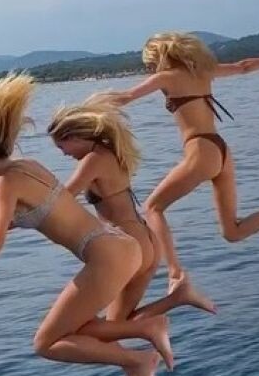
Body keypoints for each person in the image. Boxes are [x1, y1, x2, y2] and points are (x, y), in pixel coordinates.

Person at [0, 73, 174, 376]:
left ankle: (140, 354)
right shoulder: (29, 166)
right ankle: (142, 341)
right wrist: (10, 222)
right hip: (122, 245)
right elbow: (54, 209)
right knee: (79, 328)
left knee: (46, 343)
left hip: (108, 255)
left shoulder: (4, 184)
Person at [102, 32, 259, 289]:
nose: (150, 69)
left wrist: (84, 108)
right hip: (221, 150)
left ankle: (175, 274)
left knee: (153, 207)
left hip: (200, 150)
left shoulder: (166, 77)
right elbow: (244, 67)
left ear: (159, 58)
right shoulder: (204, 72)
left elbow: (124, 98)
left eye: (150, 64)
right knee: (233, 232)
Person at [47, 97, 216, 319]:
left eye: (62, 146)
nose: (63, 153)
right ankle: (177, 298)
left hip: (128, 243)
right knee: (118, 323)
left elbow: (64, 198)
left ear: (75, 137)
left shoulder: (93, 160)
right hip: (146, 240)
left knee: (90, 323)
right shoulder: (113, 153)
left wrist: (19, 217)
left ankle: (171, 307)